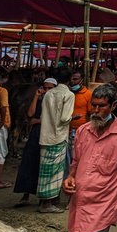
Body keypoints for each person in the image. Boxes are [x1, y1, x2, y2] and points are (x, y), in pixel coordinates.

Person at [63, 84, 117, 232]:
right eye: (93, 105)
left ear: (113, 106)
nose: (95, 110)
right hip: (79, 201)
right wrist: (70, 178)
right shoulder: (83, 131)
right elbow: (76, 163)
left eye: (101, 106)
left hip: (103, 205)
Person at [38, 67, 75, 213]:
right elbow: (65, 118)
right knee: (54, 172)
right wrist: (74, 118)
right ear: (70, 79)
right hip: (58, 136)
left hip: (45, 136)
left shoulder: (49, 94)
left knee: (45, 171)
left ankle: (47, 201)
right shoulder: (69, 95)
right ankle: (47, 204)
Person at [14, 77, 56, 207]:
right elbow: (30, 114)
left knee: (45, 166)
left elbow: (55, 119)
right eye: (45, 88)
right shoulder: (40, 99)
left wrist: (39, 121)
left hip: (48, 134)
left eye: (50, 88)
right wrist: (36, 97)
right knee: (29, 162)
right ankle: (25, 194)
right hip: (36, 134)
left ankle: (44, 197)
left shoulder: (56, 101)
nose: (47, 90)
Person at [67, 70, 93, 169]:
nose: (72, 81)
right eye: (71, 79)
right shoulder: (67, 93)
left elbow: (90, 113)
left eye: (75, 79)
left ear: (81, 80)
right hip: (66, 129)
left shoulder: (88, 94)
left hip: (80, 130)